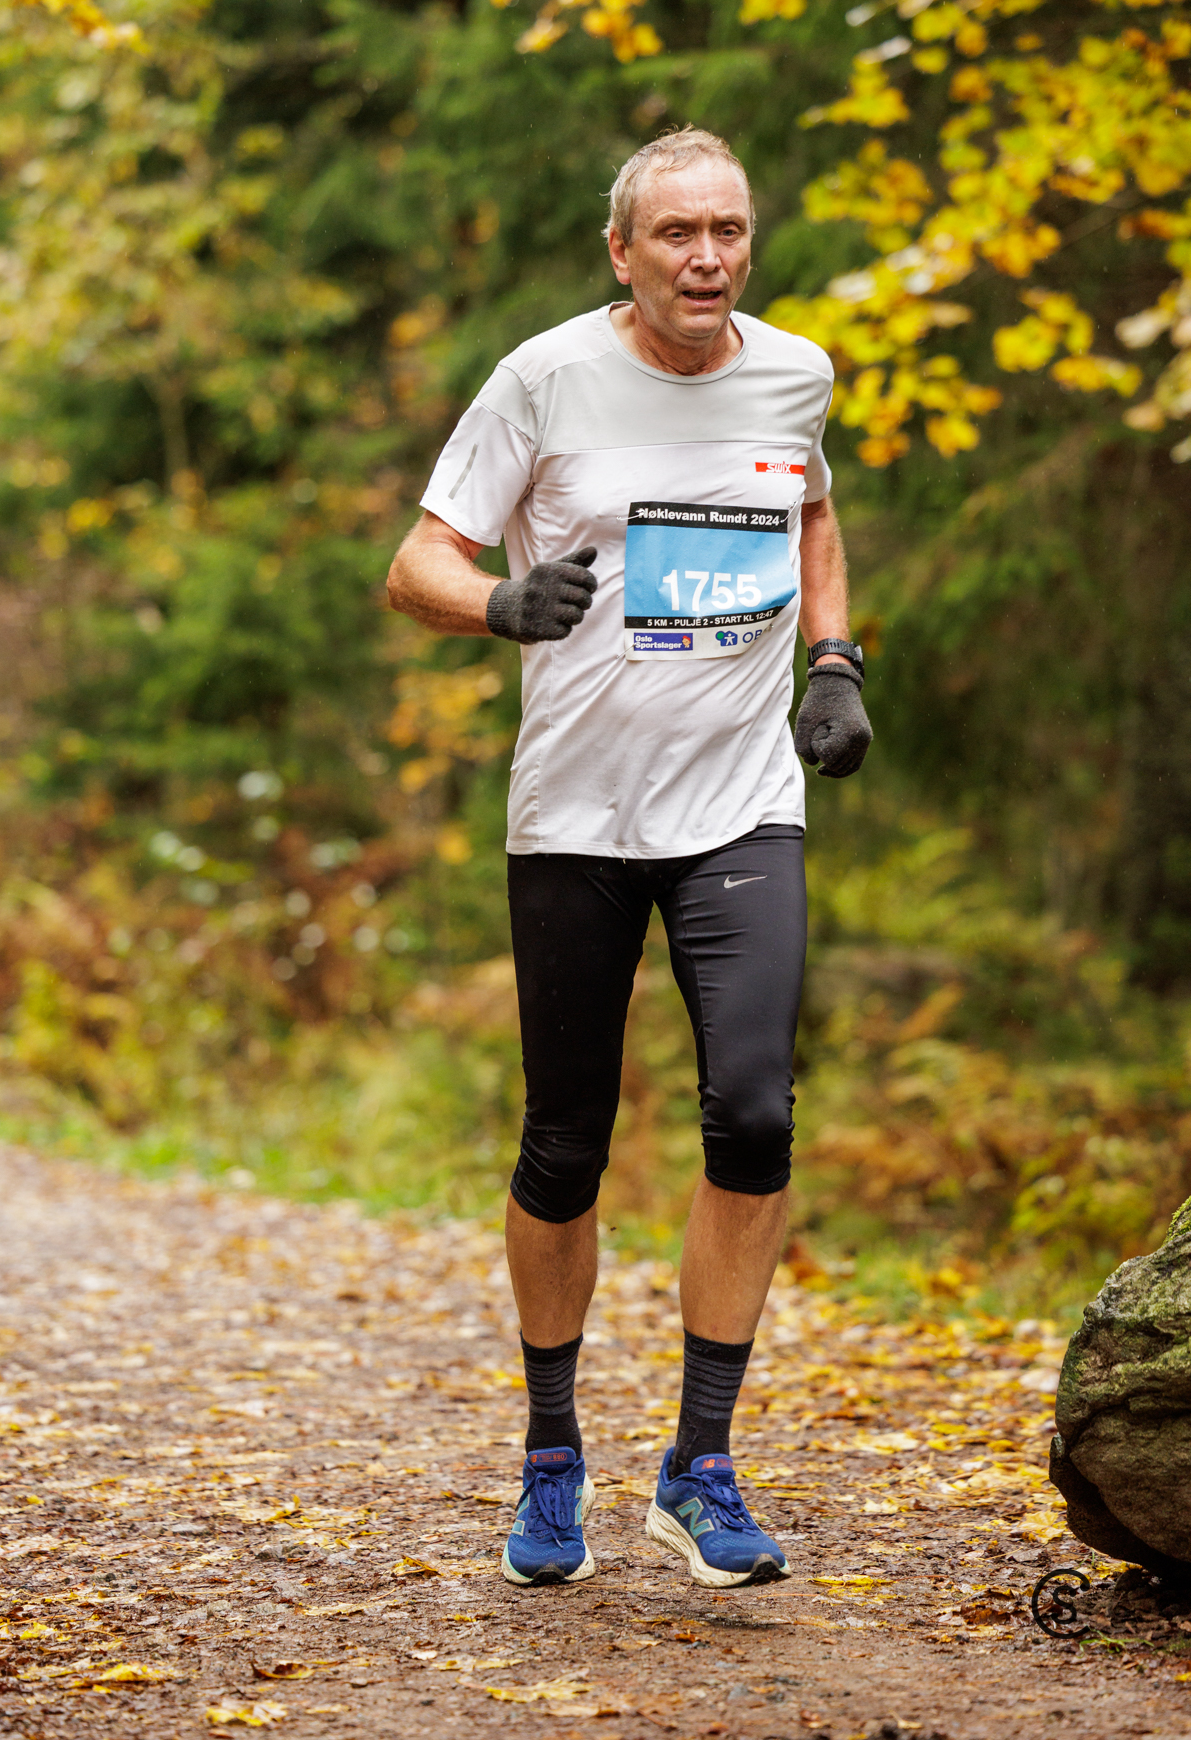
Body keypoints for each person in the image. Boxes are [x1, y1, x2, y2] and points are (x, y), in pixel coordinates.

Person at [387, 127, 871, 1590]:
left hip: (740, 806)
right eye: (677, 234)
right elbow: (417, 566)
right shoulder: (542, 379)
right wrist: (498, 605)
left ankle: (700, 1467)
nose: (707, 258)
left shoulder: (797, 374)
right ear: (623, 250)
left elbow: (813, 512)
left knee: (755, 1115)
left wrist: (834, 661)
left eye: (728, 230)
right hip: (578, 819)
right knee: (566, 1141)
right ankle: (552, 1457)